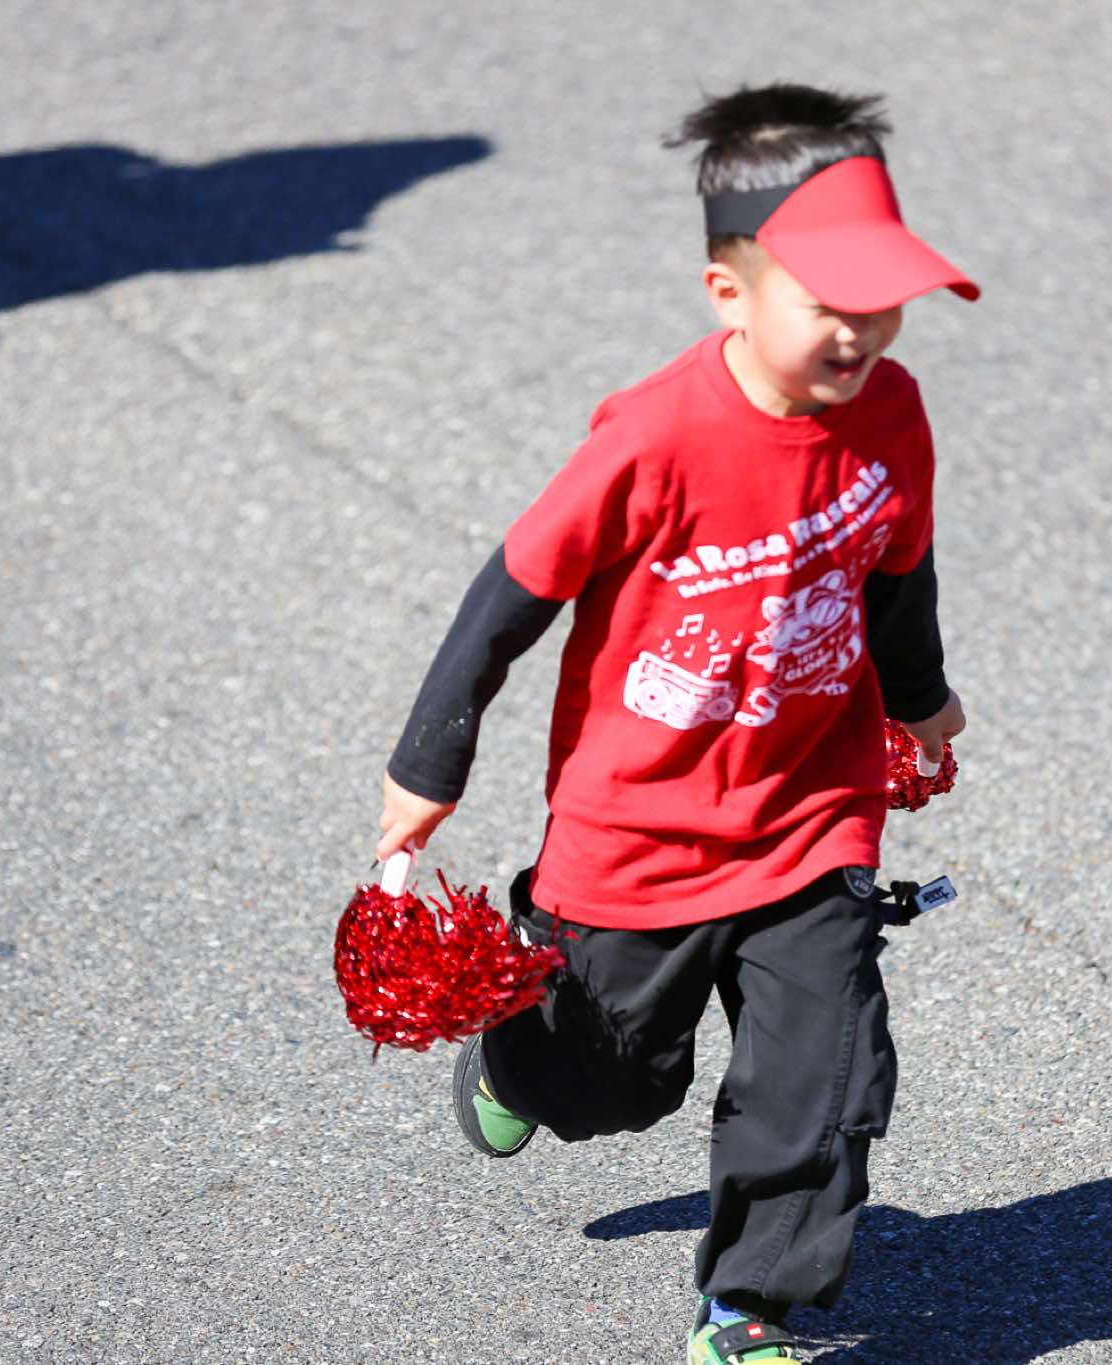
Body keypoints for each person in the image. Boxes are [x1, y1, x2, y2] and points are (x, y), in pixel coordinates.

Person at [374, 82, 977, 1364]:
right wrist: (431, 760)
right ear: (727, 293)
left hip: (810, 809)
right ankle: (520, 1063)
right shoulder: (653, 438)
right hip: (637, 832)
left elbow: (894, 572)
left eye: (881, 298)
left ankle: (749, 1304)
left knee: (825, 1073)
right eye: (828, 301)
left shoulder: (892, 414)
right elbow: (511, 593)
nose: (860, 330)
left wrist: (919, 702)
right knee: (613, 1082)